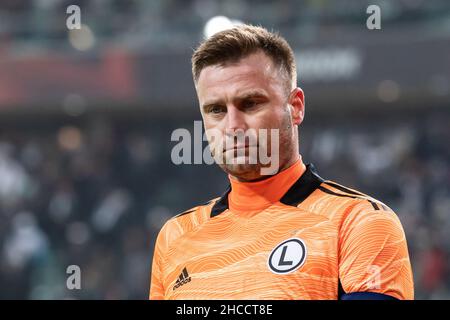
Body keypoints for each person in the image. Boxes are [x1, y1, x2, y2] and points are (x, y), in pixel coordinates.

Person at [149, 25, 414, 300]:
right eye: (216, 110)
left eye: (250, 104)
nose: (233, 126)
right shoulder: (175, 236)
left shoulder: (358, 222)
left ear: (296, 106)